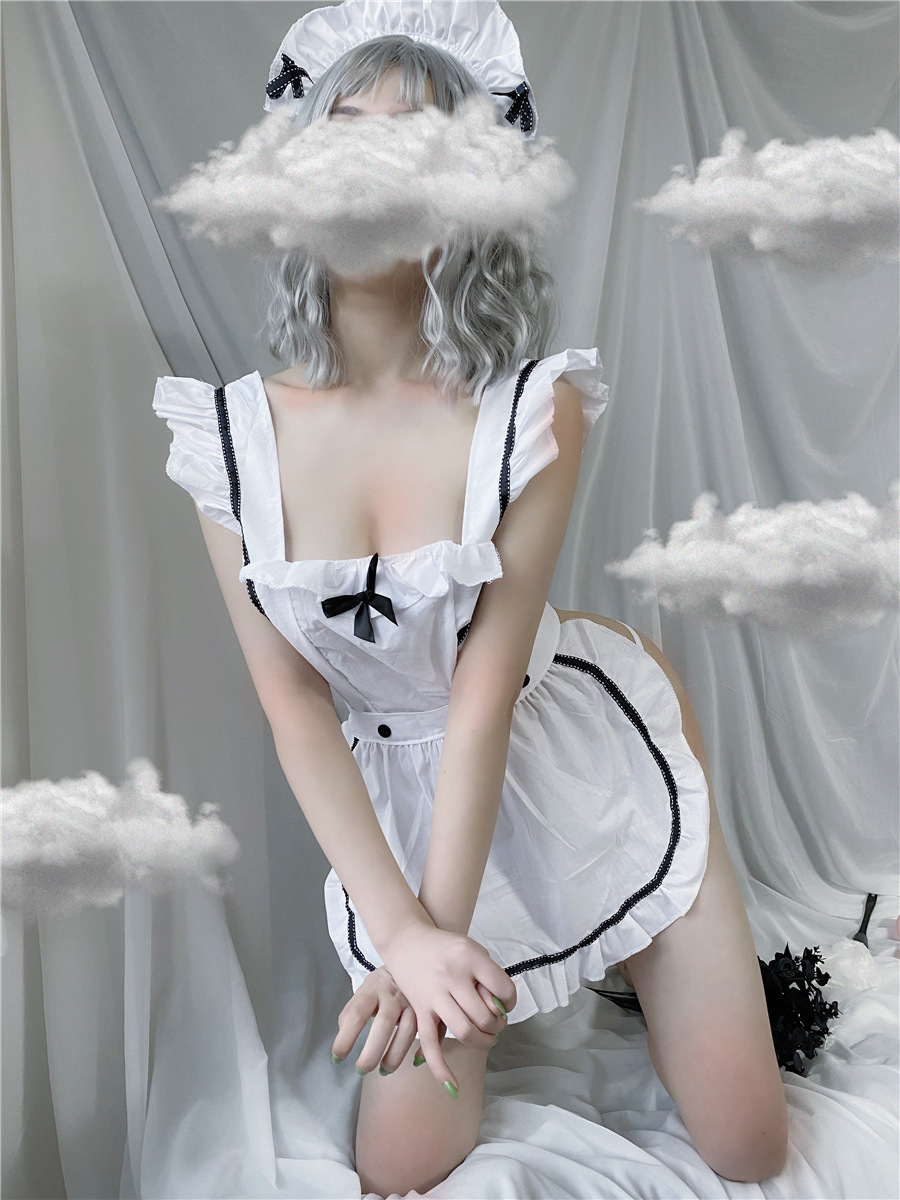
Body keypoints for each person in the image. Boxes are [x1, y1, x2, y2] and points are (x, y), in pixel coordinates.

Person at [153, 3, 788, 1195]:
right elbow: (295, 707)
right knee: (400, 1174)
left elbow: (485, 694)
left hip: (572, 751)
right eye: (345, 131)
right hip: (403, 804)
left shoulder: (534, 410)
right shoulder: (226, 441)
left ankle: (646, 936)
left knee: (752, 1150)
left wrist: (434, 942)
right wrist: (408, 939)